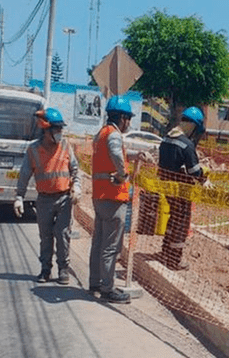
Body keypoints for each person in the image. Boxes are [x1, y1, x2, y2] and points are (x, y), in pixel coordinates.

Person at [14, 108, 81, 285]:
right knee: (46, 236)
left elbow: (75, 169)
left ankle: (63, 269)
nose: (60, 133)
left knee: (62, 234)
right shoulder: (34, 150)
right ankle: (45, 269)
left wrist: (78, 186)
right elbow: (24, 174)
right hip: (44, 200)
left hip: (64, 198)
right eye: (57, 129)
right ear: (46, 130)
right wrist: (19, 197)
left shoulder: (66, 146)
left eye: (61, 129)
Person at [88, 96, 134, 304]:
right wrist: (123, 174)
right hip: (113, 197)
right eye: (129, 119)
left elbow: (112, 155)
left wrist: (133, 157)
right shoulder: (114, 134)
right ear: (122, 118)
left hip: (100, 196)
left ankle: (95, 282)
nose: (129, 123)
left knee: (98, 242)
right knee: (111, 246)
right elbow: (116, 153)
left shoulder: (101, 134)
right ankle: (107, 288)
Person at [157, 106, 210, 271]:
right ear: (193, 125)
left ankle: (165, 252)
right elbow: (194, 171)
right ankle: (175, 259)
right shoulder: (186, 144)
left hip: (167, 187)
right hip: (181, 191)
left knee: (172, 220)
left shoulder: (166, 138)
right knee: (181, 223)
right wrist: (204, 178)